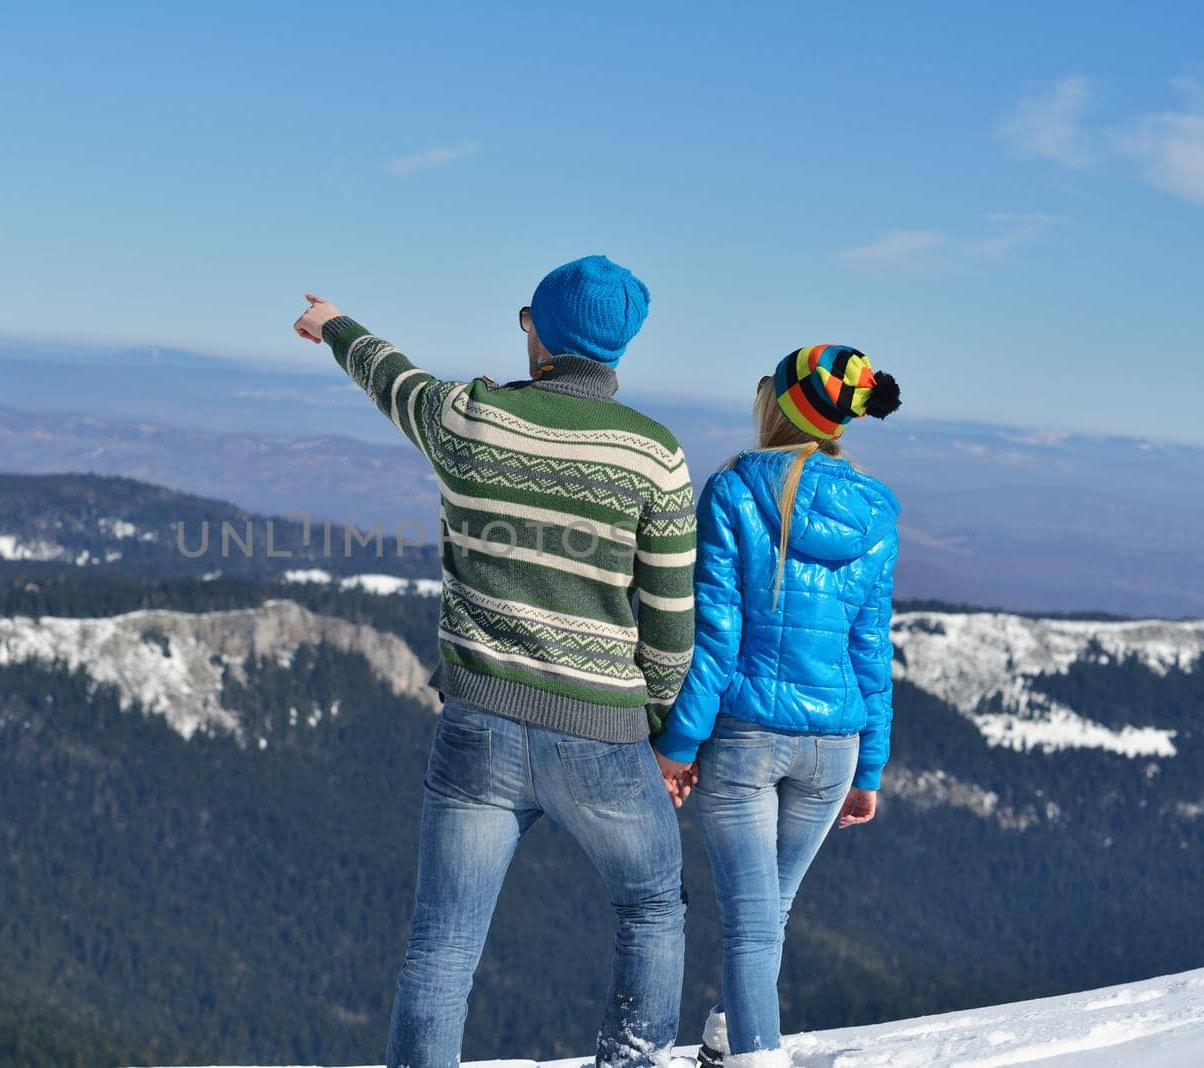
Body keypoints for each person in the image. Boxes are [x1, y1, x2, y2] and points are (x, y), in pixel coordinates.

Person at [294, 256, 698, 1068]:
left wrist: (332, 325)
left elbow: (394, 380)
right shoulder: (655, 457)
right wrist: (655, 727)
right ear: (616, 350)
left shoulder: (471, 416)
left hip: (478, 726)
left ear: (540, 334)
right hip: (603, 735)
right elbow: (669, 625)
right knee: (651, 908)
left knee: (441, 950)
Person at [653, 347, 902, 1068]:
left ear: (780, 407)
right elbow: (870, 645)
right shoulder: (877, 511)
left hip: (746, 738)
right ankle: (730, 1035)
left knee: (752, 926)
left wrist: (679, 743)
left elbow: (716, 637)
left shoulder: (733, 489)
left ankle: (754, 1057)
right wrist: (872, 765)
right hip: (836, 744)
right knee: (770, 914)